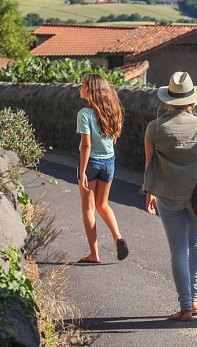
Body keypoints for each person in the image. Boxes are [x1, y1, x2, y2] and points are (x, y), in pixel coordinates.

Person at [142, 71, 197, 322]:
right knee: (196, 244)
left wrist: (150, 193)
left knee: (177, 250)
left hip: (168, 195)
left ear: (168, 99)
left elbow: (149, 165)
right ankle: (196, 299)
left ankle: (185, 307)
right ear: (193, 100)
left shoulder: (154, 128)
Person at [76, 73, 128, 264]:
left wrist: (82, 172)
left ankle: (94, 254)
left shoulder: (84, 114)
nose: (79, 88)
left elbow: (86, 146)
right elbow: (115, 137)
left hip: (91, 164)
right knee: (103, 204)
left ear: (89, 90)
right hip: (109, 163)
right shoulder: (113, 111)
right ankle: (118, 238)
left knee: (89, 208)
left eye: (82, 85)